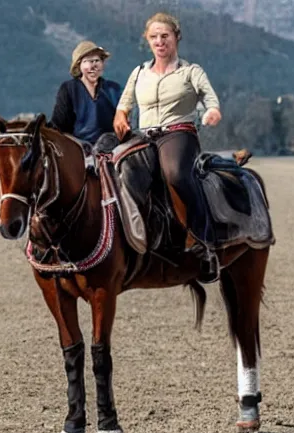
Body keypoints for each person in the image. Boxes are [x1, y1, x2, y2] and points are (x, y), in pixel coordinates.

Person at [113, 12, 222, 282]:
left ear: (176, 38)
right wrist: (121, 117)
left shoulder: (191, 71)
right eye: (154, 37)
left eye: (165, 36)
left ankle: (205, 241)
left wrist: (212, 112)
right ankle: (135, 241)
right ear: (147, 41)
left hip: (178, 134)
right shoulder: (139, 73)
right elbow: (123, 106)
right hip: (144, 136)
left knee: (175, 174)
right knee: (123, 175)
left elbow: (211, 101)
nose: (160, 41)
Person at [51, 41, 122, 145]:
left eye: (97, 60)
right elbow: (59, 125)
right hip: (77, 148)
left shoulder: (114, 89)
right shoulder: (69, 89)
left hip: (111, 147)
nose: (93, 66)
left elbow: (124, 120)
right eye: (87, 61)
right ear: (79, 65)